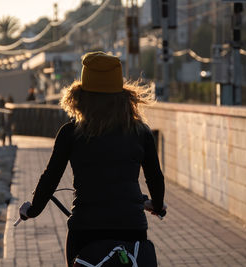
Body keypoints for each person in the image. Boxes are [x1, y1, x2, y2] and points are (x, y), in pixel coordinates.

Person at [19, 51, 166, 266]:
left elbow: (51, 178)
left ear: (80, 96)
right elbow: (155, 177)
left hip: (86, 229)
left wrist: (32, 210)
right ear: (124, 95)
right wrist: (157, 205)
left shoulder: (70, 133)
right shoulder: (140, 132)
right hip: (131, 227)